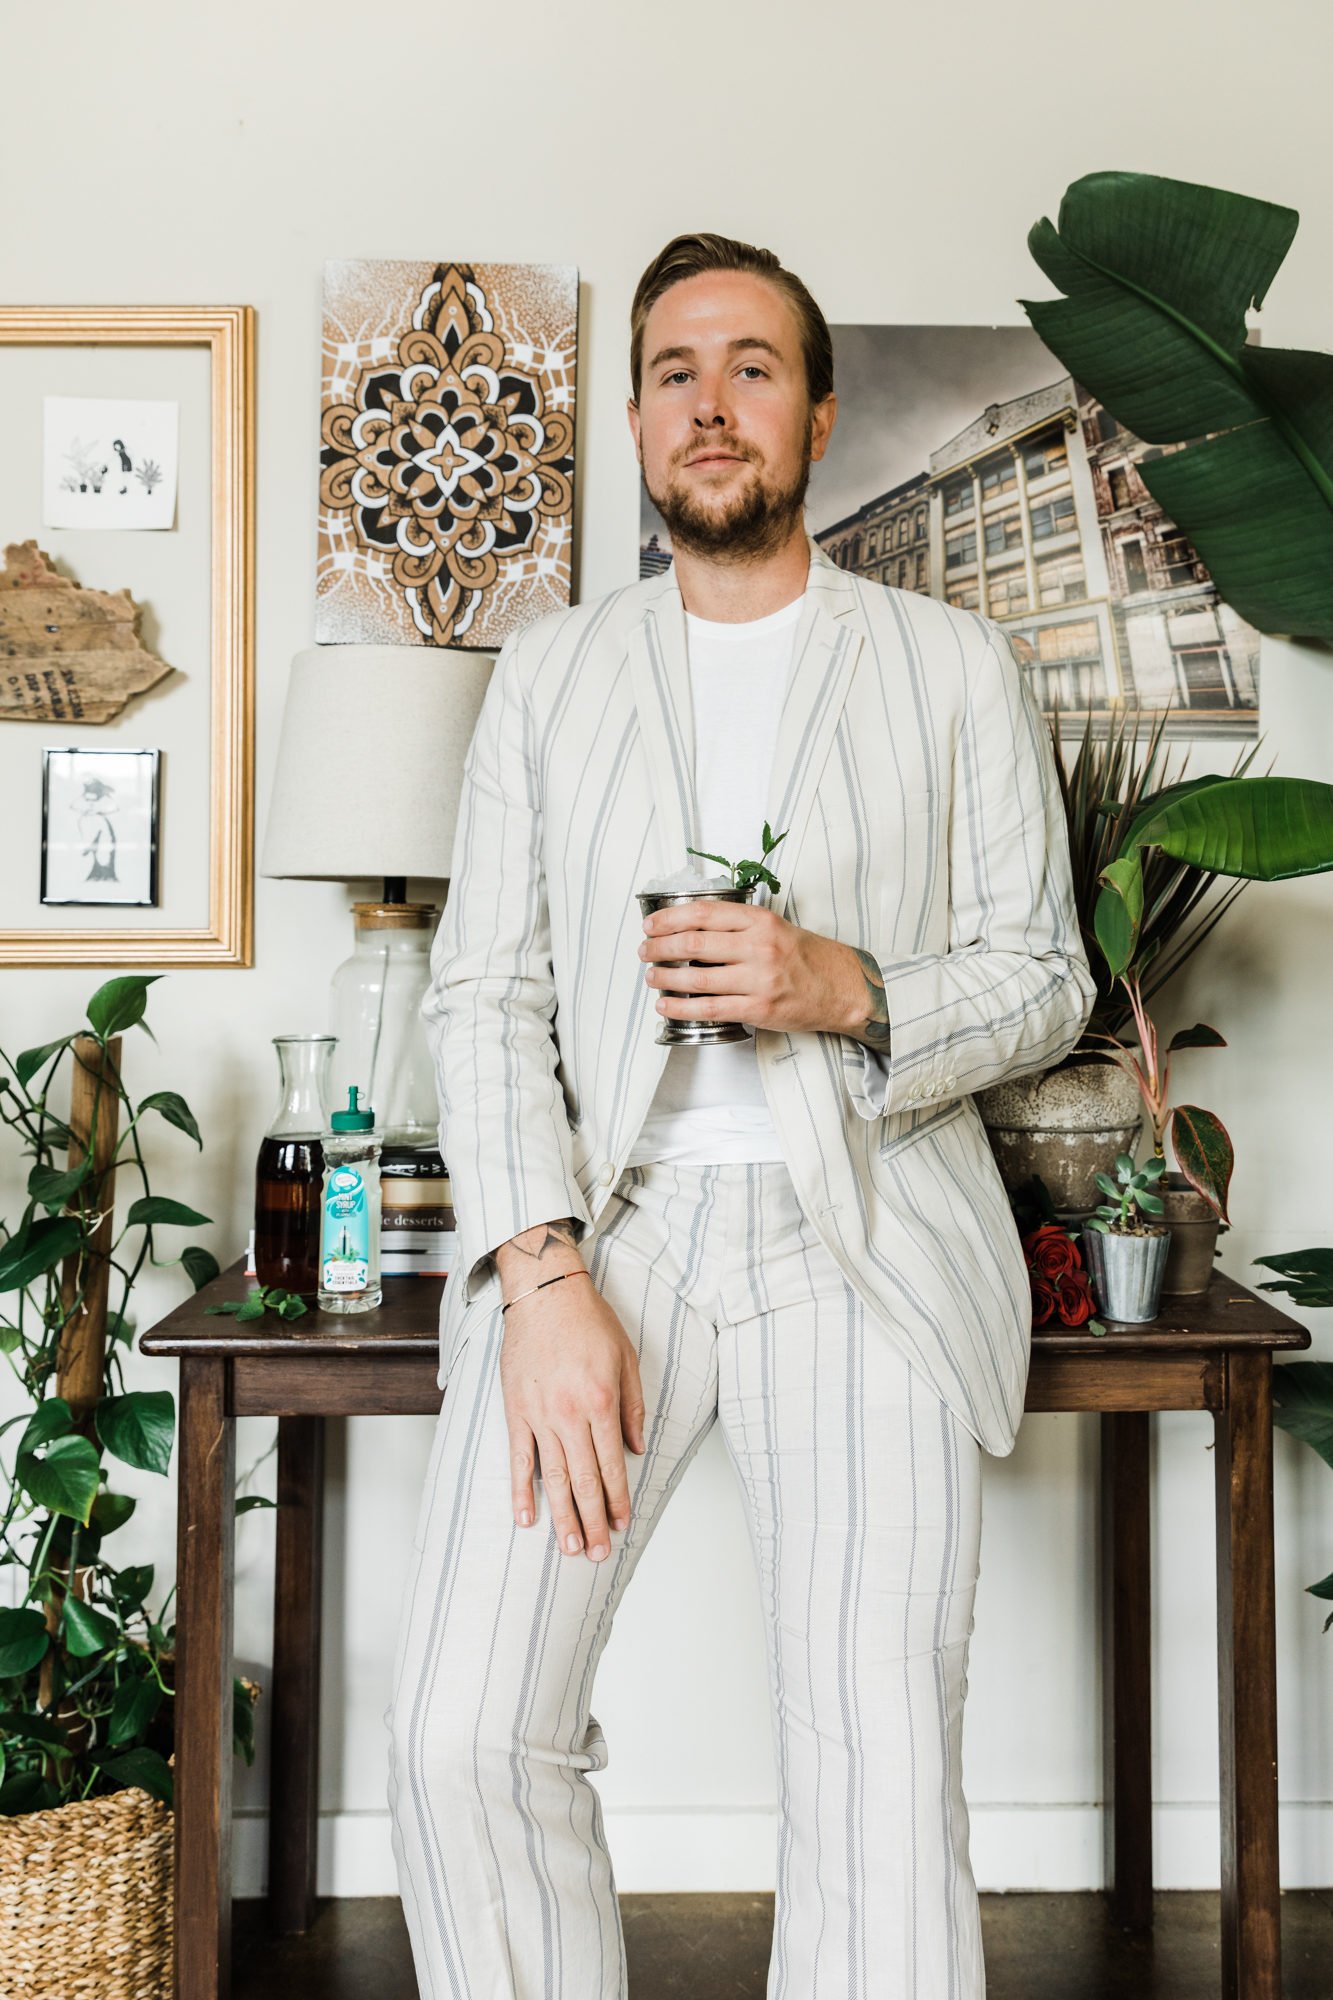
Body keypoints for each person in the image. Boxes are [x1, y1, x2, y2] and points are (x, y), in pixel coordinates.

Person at [385, 230, 1097, 1997]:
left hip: (865, 1235)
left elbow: (1045, 976)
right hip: (606, 1244)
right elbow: (482, 992)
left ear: (818, 415)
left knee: (871, 1762)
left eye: (754, 367)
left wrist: (838, 989)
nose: (714, 404)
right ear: (632, 420)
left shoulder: (950, 668)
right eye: (678, 372)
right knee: (465, 1730)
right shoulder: (547, 677)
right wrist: (542, 1280)